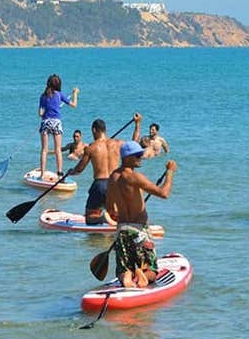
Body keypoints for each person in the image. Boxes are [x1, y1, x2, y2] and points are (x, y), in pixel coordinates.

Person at [106, 140, 176, 288]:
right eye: (137, 155)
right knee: (152, 270)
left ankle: (126, 275)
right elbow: (164, 193)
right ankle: (143, 275)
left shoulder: (112, 178)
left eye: (141, 154)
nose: (141, 158)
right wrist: (170, 172)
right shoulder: (135, 177)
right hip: (139, 231)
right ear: (126, 158)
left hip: (122, 231)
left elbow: (110, 208)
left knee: (123, 267)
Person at [69, 115, 140, 225]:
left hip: (100, 184)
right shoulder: (117, 143)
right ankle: (118, 219)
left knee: (89, 218)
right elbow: (134, 145)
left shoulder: (91, 148)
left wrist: (71, 172)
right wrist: (137, 124)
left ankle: (101, 218)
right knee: (116, 213)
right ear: (105, 130)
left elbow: (80, 169)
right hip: (116, 183)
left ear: (94, 130)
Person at [38, 74, 78, 181]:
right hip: (56, 122)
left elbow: (40, 113)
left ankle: (42, 174)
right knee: (58, 150)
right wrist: (75, 93)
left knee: (44, 150)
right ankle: (60, 173)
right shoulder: (60, 95)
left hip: (46, 122)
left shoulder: (43, 96)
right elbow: (74, 105)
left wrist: (45, 113)